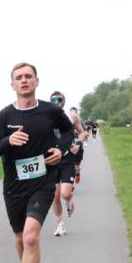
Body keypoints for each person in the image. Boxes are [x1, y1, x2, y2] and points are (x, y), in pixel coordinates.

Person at [0, 63, 73, 263]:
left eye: (28, 76)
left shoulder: (50, 111)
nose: (24, 80)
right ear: (12, 84)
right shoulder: (4, 117)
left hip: (43, 182)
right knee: (20, 238)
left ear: (36, 81)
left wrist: (61, 150)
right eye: (19, 78)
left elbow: (68, 131)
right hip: (14, 187)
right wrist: (7, 141)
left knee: (31, 237)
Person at [48, 97, 88, 236]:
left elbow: (83, 133)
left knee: (65, 193)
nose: (56, 101)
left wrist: (78, 144)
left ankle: (69, 200)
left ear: (63, 102)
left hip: (67, 160)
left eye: (59, 99)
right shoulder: (45, 118)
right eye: (53, 99)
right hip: (52, 161)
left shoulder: (71, 117)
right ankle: (60, 225)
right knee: (55, 196)